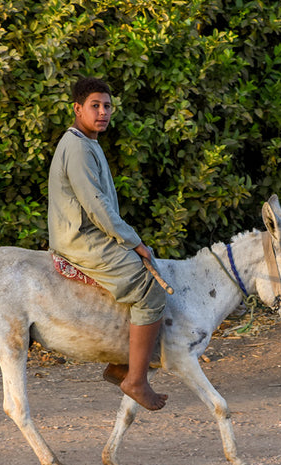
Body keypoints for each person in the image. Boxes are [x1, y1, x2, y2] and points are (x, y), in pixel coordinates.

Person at [48, 77, 168, 411]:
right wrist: (134, 241)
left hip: (92, 234)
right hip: (81, 240)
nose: (102, 113)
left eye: (107, 106)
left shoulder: (87, 143)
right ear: (77, 109)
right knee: (150, 288)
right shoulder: (76, 147)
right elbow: (96, 206)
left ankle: (120, 364)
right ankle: (134, 378)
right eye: (95, 106)